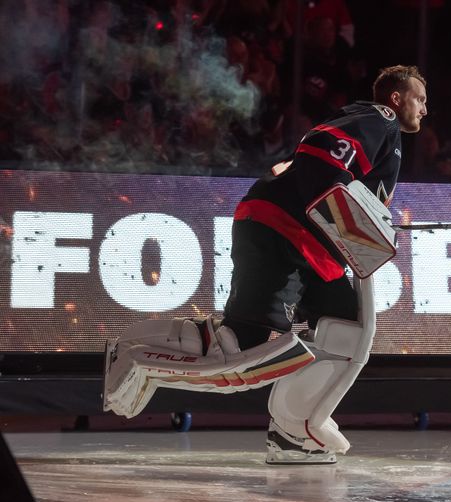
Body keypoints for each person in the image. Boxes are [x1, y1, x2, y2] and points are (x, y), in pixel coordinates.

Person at [103, 65, 428, 466]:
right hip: (286, 231)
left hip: (313, 249)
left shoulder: (388, 137)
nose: (424, 109)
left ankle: (295, 431)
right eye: (420, 98)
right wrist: (353, 222)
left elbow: (347, 200)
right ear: (396, 98)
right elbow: (322, 161)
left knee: (347, 330)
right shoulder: (383, 119)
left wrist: (367, 227)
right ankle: (134, 352)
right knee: (238, 348)